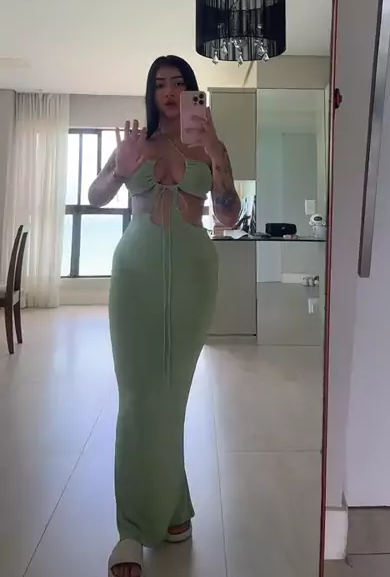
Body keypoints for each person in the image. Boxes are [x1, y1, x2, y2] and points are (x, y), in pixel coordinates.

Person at [88, 55, 240, 577]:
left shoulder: (210, 146)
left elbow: (228, 215)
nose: (170, 92)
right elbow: (95, 196)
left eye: (179, 83)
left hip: (195, 272)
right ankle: (131, 530)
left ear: (193, 92)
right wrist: (119, 169)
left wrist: (217, 155)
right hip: (136, 272)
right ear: (151, 94)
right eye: (160, 84)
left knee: (172, 395)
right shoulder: (137, 143)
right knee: (137, 397)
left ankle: (175, 509)